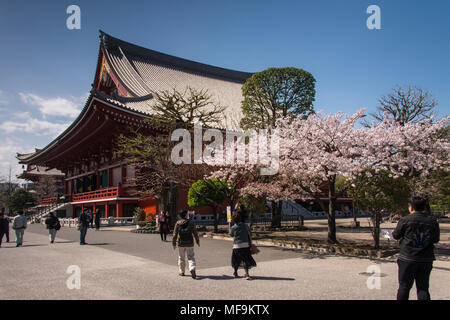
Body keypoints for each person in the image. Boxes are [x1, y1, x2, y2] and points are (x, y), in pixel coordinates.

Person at [392, 196, 440, 300]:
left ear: (411, 207)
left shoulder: (405, 220)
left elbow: (396, 235)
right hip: (426, 258)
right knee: (423, 288)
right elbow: (436, 239)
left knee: (404, 286)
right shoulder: (432, 222)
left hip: (407, 257)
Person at [172, 209, 200, 279]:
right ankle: (192, 268)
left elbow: (175, 234)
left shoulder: (178, 223)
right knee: (191, 257)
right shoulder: (191, 222)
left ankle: (182, 271)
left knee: (181, 257)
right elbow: (195, 233)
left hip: (181, 243)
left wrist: (174, 243)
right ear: (186, 215)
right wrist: (197, 240)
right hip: (190, 242)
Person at [230, 210, 257, 280]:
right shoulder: (245, 226)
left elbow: (231, 234)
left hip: (236, 246)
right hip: (245, 245)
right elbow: (249, 233)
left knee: (236, 260)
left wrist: (230, 225)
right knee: (245, 260)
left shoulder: (233, 227)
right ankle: (247, 274)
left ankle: (235, 273)